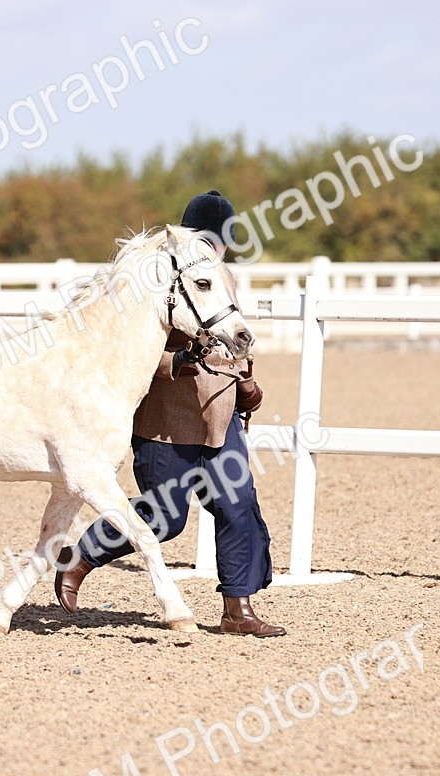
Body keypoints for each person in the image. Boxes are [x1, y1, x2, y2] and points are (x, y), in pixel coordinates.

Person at [54, 190, 285, 637]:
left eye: (220, 241)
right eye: (207, 240)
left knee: (239, 507)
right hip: (166, 419)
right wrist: (177, 361)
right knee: (166, 517)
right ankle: (80, 557)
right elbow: (128, 352)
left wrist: (247, 385)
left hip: (221, 416)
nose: (215, 249)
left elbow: (232, 338)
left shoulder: (223, 278)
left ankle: (238, 609)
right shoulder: (156, 281)